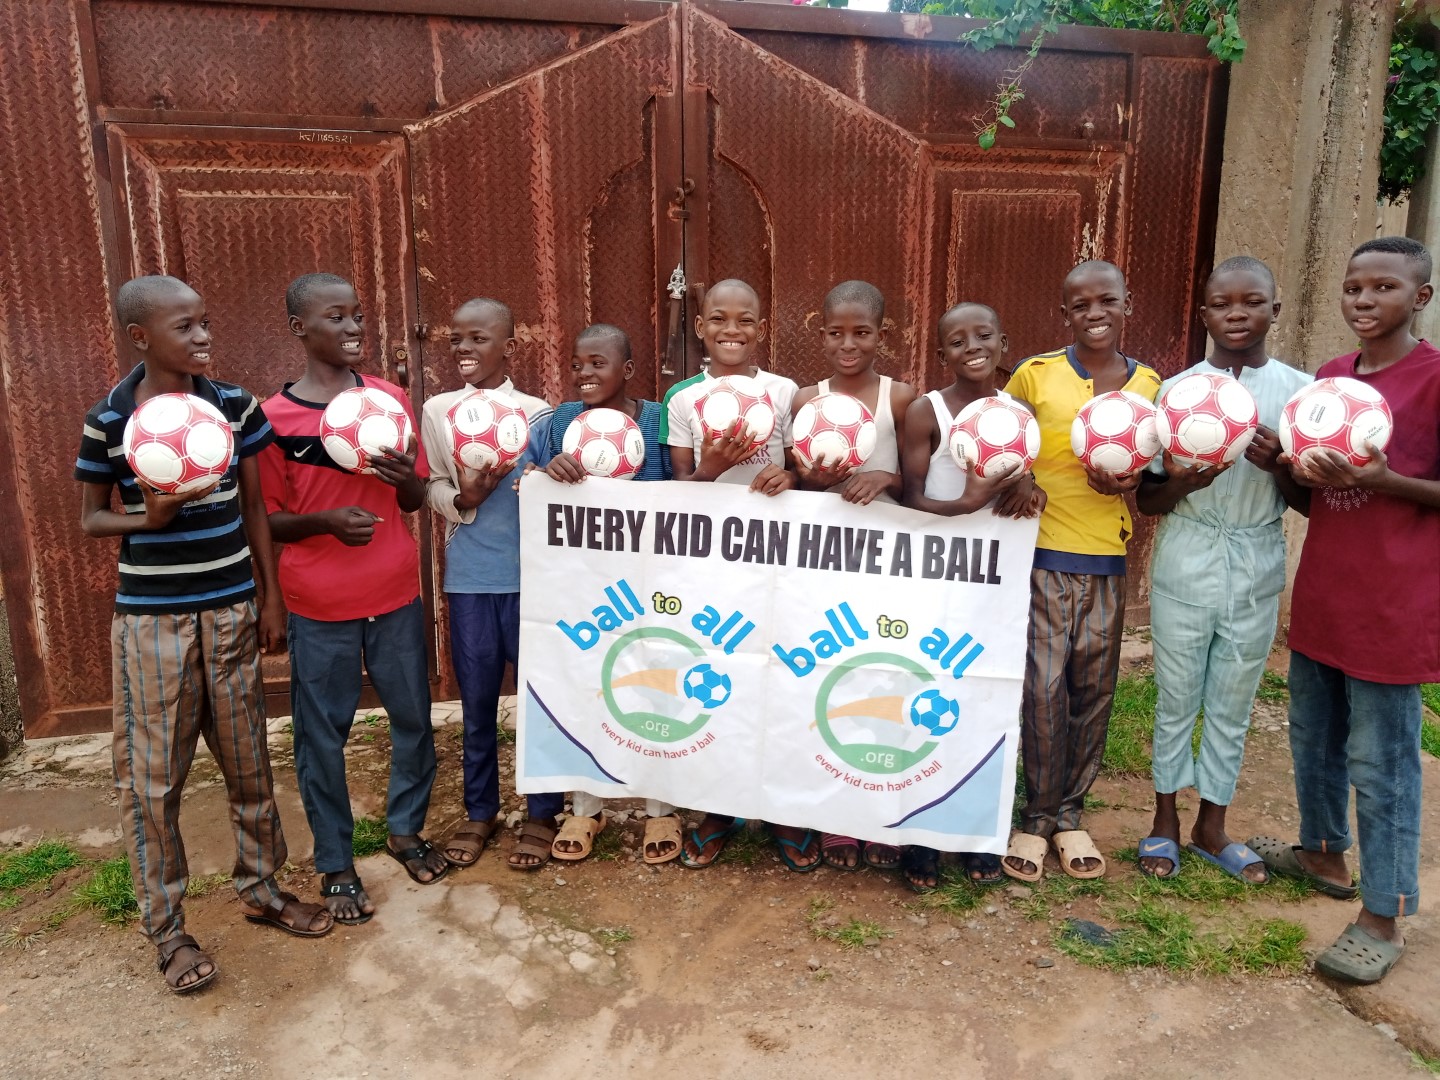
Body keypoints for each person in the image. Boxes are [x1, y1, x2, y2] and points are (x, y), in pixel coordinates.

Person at [76, 275, 332, 994]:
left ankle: (263, 888)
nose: (202, 337)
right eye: (184, 327)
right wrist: (148, 519)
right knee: (153, 781)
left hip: (231, 612)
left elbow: (254, 507)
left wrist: (269, 597)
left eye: (205, 323)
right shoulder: (110, 421)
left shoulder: (232, 405)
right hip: (152, 624)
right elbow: (92, 519)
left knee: (248, 761)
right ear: (140, 338)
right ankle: (167, 930)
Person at [1247, 236, 1440, 984]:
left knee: (1382, 760)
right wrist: (1282, 469)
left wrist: (1386, 481)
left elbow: (1384, 489)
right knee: (1314, 736)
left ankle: (1384, 914)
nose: (1364, 299)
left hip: (1393, 607)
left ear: (1420, 297)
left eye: (1384, 287)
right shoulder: (1330, 379)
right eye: (1355, 287)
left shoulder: (1432, 380)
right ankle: (1323, 852)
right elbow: (1318, 501)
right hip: (1326, 593)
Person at [259, 272, 445, 925]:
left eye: (357, 315)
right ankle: (336, 865)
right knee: (322, 737)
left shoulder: (388, 400)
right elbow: (268, 520)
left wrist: (405, 481)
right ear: (299, 328)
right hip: (319, 603)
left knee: (414, 719)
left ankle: (405, 831)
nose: (352, 327)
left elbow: (414, 499)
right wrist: (324, 522)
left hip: (393, 593)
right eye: (335, 317)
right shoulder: (274, 419)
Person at [1134, 257, 1310, 883]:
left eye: (1252, 302)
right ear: (1203, 314)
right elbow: (1147, 500)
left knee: (1233, 700)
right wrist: (1184, 482)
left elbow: (1309, 504)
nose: (1237, 314)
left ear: (1274, 310)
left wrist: (1279, 467)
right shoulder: (1174, 394)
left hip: (1256, 557)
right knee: (1177, 695)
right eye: (1222, 304)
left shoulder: (1301, 394)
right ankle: (1164, 820)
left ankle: (1212, 824)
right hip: (1187, 554)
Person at [1001, 260, 1162, 882]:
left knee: (1093, 691)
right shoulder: (1035, 374)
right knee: (1042, 690)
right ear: (1064, 313)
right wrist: (1020, 480)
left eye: (1107, 301)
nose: (1095, 314)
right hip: (1042, 554)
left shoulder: (1149, 384)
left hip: (1106, 558)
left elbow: (1152, 472)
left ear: (1127, 304)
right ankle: (1037, 818)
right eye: (1081, 305)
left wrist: (1128, 482)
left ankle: (1071, 814)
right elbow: (997, 443)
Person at [661, 278, 804, 868]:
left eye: (745, 320)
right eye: (718, 319)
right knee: (716, 677)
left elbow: (803, 467)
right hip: (714, 563)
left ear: (760, 329)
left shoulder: (784, 392)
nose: (731, 330)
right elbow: (679, 489)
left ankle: (780, 809)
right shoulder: (683, 398)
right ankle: (718, 808)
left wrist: (790, 476)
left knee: (779, 677)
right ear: (700, 328)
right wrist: (713, 467)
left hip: (777, 559)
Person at [901, 301, 1044, 890]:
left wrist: (1030, 487)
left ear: (1003, 344)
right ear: (943, 354)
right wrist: (965, 505)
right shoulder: (925, 412)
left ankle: (975, 830)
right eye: (957, 341)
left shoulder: (1019, 415)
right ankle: (920, 835)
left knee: (985, 697)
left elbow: (1022, 482)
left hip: (991, 586)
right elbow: (909, 499)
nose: (972, 348)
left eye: (984, 336)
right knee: (926, 693)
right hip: (934, 580)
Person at [417, 297, 561, 872]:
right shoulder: (439, 410)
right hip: (471, 579)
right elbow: (430, 484)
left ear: (509, 346)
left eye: (478, 338)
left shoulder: (539, 414)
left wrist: (544, 478)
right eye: (457, 339)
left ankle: (543, 811)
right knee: (476, 704)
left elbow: (557, 487)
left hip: (533, 582)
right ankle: (480, 810)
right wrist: (464, 499)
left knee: (539, 702)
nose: (464, 349)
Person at [539, 324, 682, 864]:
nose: (584, 374)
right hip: (585, 578)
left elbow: (681, 489)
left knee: (654, 684)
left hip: (650, 578)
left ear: (628, 369)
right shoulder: (562, 421)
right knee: (586, 682)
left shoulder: (657, 419)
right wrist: (549, 470)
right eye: (577, 364)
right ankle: (586, 806)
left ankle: (660, 807)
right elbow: (536, 484)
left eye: (597, 363)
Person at [792, 280, 917, 875]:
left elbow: (920, 484)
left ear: (881, 335)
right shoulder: (806, 399)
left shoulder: (901, 399)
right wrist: (806, 480)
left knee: (883, 680)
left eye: (861, 333)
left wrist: (885, 478)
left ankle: (882, 813)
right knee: (831, 684)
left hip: (886, 568)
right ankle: (837, 817)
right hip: (825, 564)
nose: (849, 344)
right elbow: (795, 479)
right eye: (836, 333)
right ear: (821, 335)